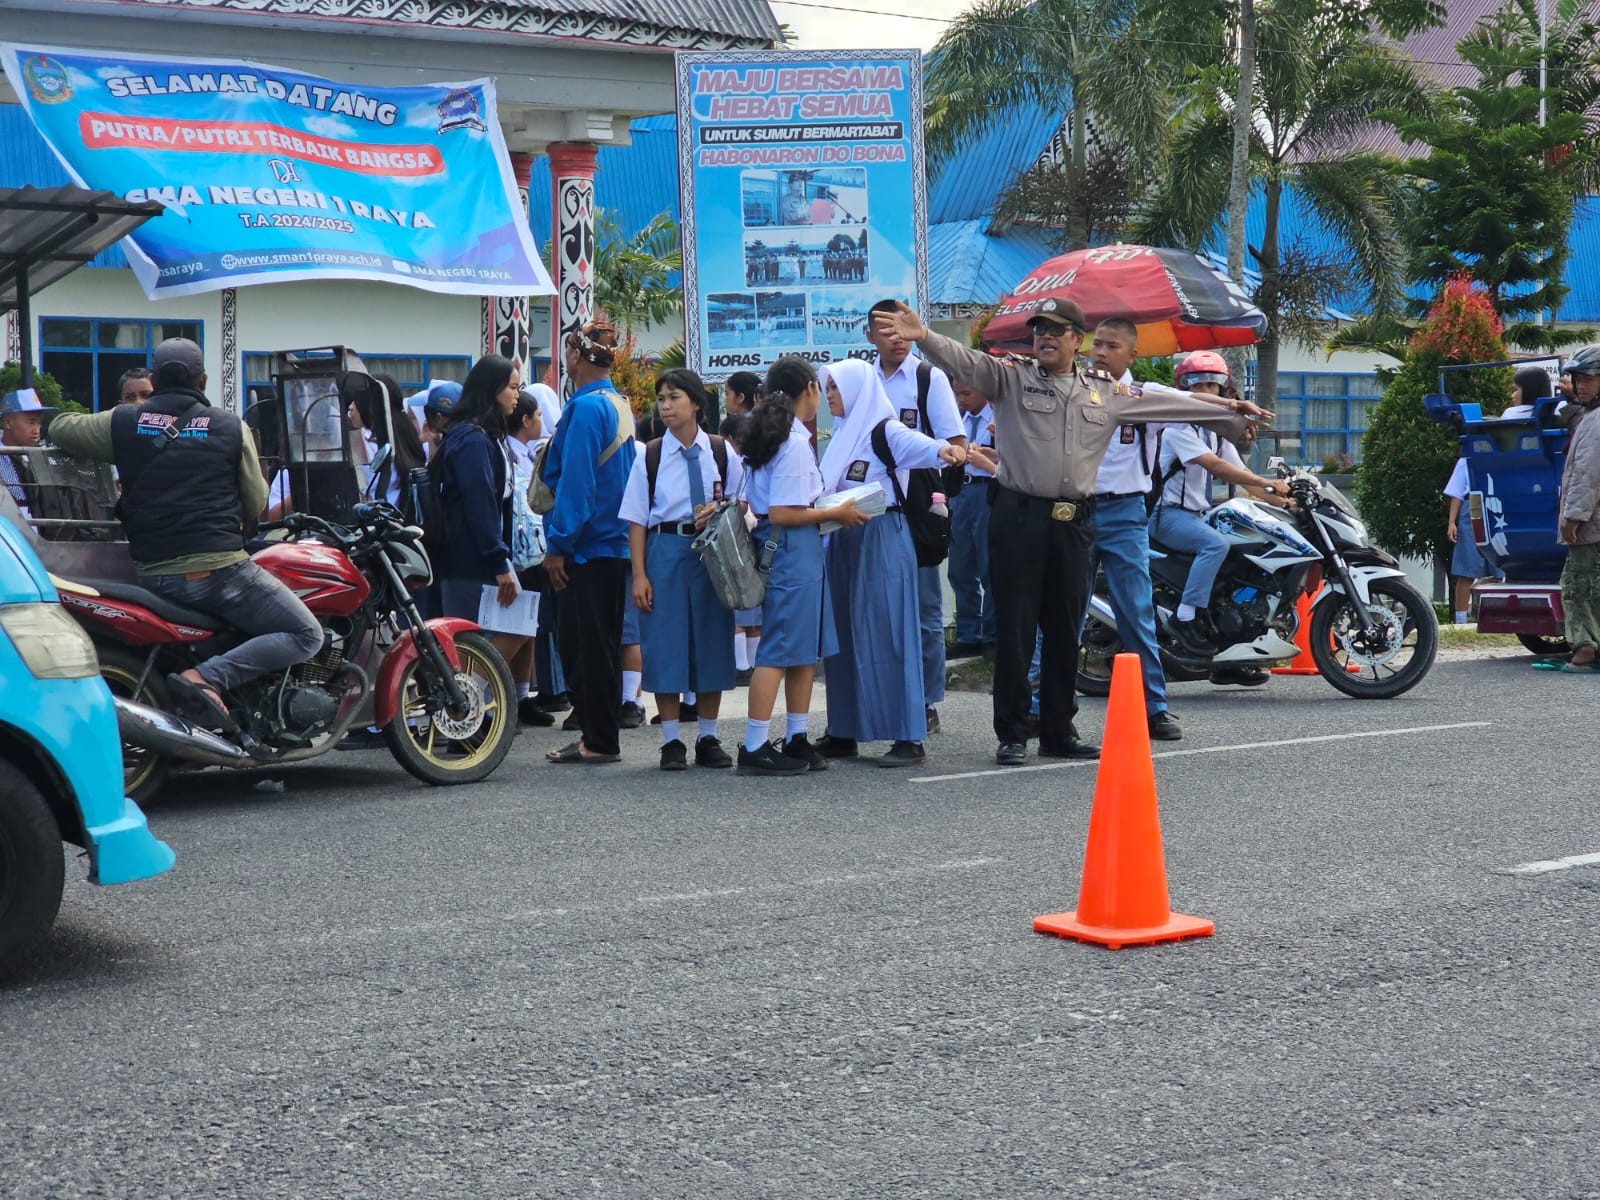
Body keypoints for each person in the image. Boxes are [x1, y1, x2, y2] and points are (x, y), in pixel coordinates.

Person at [871, 299, 1268, 766]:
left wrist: (1229, 405)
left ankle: (1060, 729)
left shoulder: (1105, 391)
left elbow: (1171, 401)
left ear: (1076, 341)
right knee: (1018, 629)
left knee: (1064, 629)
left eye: (1058, 331)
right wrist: (924, 336)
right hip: (1018, 518)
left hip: (1074, 522)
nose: (1046, 337)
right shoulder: (1012, 377)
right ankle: (1014, 731)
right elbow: (966, 361)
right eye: (1040, 329)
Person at [46, 338, 323, 729]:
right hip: (220, 573)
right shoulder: (230, 426)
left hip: (154, 572)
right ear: (203, 379)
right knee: (306, 633)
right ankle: (207, 677)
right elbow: (255, 500)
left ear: (155, 381)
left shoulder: (125, 422)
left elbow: (59, 427)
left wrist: (129, 419)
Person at [813, 360, 966, 767]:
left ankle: (908, 736)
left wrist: (944, 450)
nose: (829, 396)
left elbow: (919, 445)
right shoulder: (843, 435)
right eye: (826, 388)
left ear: (856, 389)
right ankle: (843, 731)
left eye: (835, 388)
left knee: (892, 632)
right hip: (844, 539)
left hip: (883, 535)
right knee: (843, 636)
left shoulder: (884, 428)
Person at [737, 356, 868, 775]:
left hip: (794, 551)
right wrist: (839, 513)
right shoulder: (792, 443)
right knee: (778, 650)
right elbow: (783, 512)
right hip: (791, 549)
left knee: (803, 651)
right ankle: (755, 743)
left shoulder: (776, 435)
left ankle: (796, 737)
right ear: (808, 389)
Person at [622, 369, 740, 770]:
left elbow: (744, 502)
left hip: (712, 552)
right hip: (666, 548)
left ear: (695, 402)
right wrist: (639, 573)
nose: (666, 405)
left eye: (674, 397)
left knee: (711, 639)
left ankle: (708, 736)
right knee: (665, 641)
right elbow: (637, 519)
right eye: (661, 398)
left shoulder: (721, 451)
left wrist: (723, 509)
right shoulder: (650, 454)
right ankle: (671, 740)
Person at [1149, 351, 1296, 663]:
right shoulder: (1179, 428)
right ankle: (1185, 617)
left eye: (1211, 385)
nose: (1204, 391)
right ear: (1183, 389)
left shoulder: (1215, 435)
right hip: (1166, 515)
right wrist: (1267, 483)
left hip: (1196, 515)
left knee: (1245, 547)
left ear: (1222, 390)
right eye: (1196, 385)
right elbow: (1217, 467)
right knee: (1215, 545)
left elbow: (1247, 481)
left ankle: (1230, 638)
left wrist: (1287, 502)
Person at [866, 297, 968, 736]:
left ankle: (926, 699)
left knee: (926, 609)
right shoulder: (862, 381)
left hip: (921, 507)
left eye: (901, 329)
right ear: (869, 336)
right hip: (873, 508)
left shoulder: (930, 378)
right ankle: (884, 695)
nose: (896, 339)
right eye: (885, 331)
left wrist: (936, 491)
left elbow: (956, 441)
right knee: (878, 608)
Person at [1082, 318, 1185, 739]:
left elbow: (1195, 406)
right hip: (1077, 511)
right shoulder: (1075, 391)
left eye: (1110, 346)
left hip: (1126, 513)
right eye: (1096, 344)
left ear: (1132, 355)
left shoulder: (1148, 398)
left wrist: (1234, 414)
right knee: (1061, 611)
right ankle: (1041, 706)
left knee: (1136, 611)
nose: (1100, 352)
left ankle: (1154, 707)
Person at [542, 321, 637, 765]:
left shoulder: (583, 411)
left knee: (584, 647)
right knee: (602, 645)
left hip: (585, 546)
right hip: (613, 543)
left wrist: (559, 544)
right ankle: (600, 735)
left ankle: (597, 740)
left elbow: (577, 486)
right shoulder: (618, 404)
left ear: (577, 356)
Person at [432, 354, 535, 700]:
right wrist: (498, 561)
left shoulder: (484, 436)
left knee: (509, 628)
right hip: (468, 559)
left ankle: (473, 704)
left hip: (478, 556)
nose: (516, 395)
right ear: (491, 390)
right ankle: (466, 706)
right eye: (511, 387)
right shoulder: (472, 439)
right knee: (469, 641)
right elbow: (480, 504)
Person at [1545, 346, 1600, 671]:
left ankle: (1584, 650)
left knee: (1578, 587)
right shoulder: (1590, 417)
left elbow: (1588, 474)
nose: (1581, 385)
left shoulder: (1596, 422)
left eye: (1588, 379)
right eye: (1577, 379)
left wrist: (1574, 516)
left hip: (1590, 524)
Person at [947, 381, 996, 659]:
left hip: (987, 491)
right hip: (961, 492)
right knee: (960, 566)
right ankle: (968, 634)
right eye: (957, 394)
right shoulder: (959, 419)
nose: (961, 399)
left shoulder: (998, 418)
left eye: (967, 393)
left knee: (989, 565)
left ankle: (991, 635)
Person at [720, 411, 763, 684]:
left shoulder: (734, 462)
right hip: (755, 536)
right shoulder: (756, 461)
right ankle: (753, 664)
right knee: (752, 606)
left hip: (734, 537)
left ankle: (741, 665)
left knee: (737, 605)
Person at [352, 372, 428, 509]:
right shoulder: (405, 437)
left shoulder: (370, 443)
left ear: (371, 406)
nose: (351, 407)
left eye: (357, 402)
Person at [1442, 455, 1490, 625]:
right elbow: (1457, 493)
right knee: (1467, 569)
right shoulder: (1465, 461)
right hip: (1472, 505)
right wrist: (1451, 522)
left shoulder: (1502, 456)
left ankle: (1490, 616)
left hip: (1494, 504)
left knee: (1499, 569)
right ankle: (1461, 620)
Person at [1, 387, 54, 518]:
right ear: (8, 422)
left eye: (38, 423)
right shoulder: (2, 457)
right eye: (31, 422)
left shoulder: (42, 458)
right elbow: (16, 497)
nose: (36, 430)